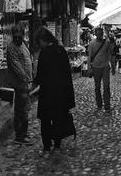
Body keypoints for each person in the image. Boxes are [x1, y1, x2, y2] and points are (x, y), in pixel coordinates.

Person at [33, 27, 76, 156]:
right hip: (61, 94)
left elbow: (40, 75)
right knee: (58, 119)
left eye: (38, 42)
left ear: (42, 40)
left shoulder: (45, 53)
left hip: (48, 94)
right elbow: (68, 74)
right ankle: (57, 144)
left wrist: (32, 86)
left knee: (46, 120)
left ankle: (47, 146)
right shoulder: (61, 50)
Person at [7, 25, 33, 145]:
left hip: (25, 83)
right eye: (15, 36)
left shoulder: (24, 44)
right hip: (20, 84)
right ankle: (20, 137)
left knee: (24, 109)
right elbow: (17, 68)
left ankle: (24, 133)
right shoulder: (12, 48)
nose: (17, 38)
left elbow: (27, 60)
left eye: (20, 36)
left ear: (23, 35)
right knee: (21, 111)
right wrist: (27, 80)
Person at [88, 27, 112, 112]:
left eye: (101, 33)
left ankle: (107, 106)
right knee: (97, 87)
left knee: (106, 86)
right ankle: (99, 104)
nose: (99, 35)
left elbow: (110, 54)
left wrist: (112, 66)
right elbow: (89, 57)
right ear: (95, 34)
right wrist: (89, 68)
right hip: (96, 67)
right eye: (98, 33)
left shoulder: (107, 43)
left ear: (102, 34)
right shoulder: (91, 43)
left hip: (105, 66)